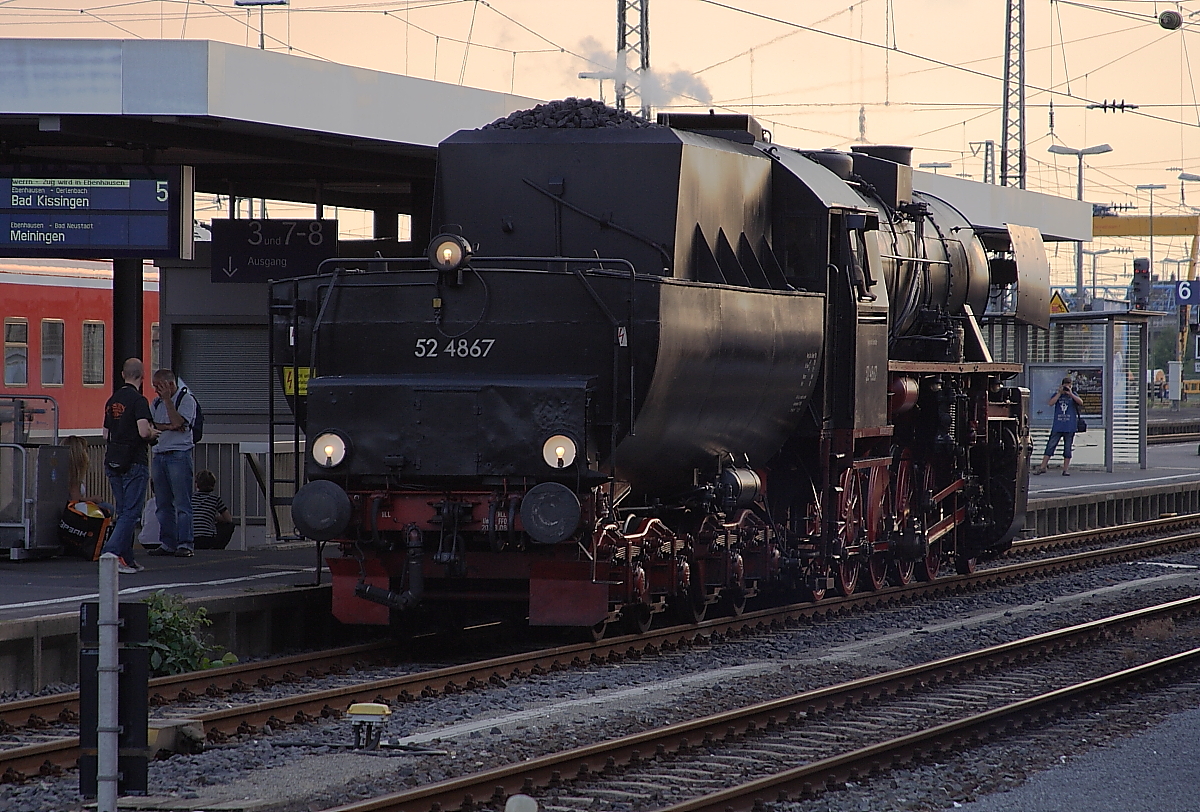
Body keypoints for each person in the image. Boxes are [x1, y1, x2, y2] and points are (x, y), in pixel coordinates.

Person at [101, 358, 160, 573]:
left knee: (123, 510)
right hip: (134, 461)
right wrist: (153, 433)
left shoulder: (112, 400)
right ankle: (112, 553)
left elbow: (105, 434)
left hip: (113, 460)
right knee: (131, 513)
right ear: (142, 376)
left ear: (122, 375)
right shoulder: (139, 401)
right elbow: (143, 431)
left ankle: (127, 558)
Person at [147, 369, 198, 557]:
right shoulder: (155, 403)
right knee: (163, 503)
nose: (156, 390)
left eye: (158, 386)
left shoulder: (186, 400)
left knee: (182, 502)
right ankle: (167, 542)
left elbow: (179, 421)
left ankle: (185, 543)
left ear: (169, 384)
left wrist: (168, 401)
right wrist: (170, 427)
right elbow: (152, 425)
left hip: (179, 454)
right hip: (159, 453)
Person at [1034, 377, 1084, 476]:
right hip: (1058, 426)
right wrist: (1059, 393)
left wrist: (1071, 394)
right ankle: (1043, 467)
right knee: (1050, 446)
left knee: (1067, 448)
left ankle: (1065, 469)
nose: (1067, 388)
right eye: (1065, 386)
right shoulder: (1058, 395)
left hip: (1070, 426)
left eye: (1069, 386)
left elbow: (1081, 402)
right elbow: (1050, 403)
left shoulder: (1073, 395)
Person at [192, 469, 233, 549]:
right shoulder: (215, 499)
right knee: (230, 526)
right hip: (207, 538)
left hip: (191, 538)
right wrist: (213, 518)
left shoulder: (190, 498)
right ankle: (217, 548)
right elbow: (228, 519)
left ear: (197, 484)